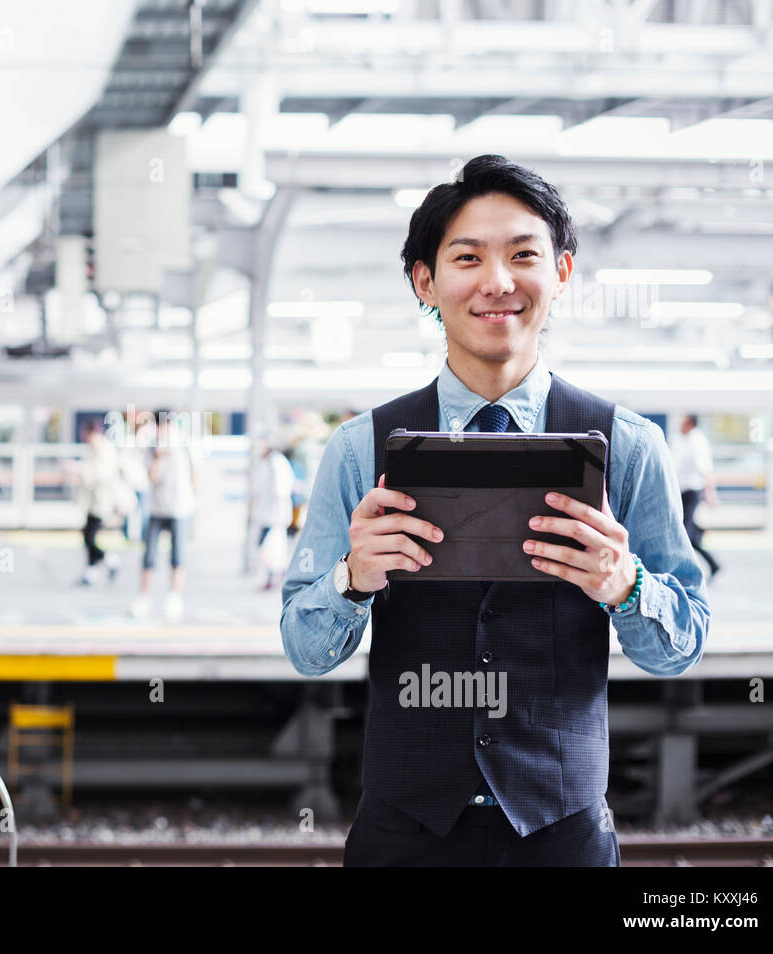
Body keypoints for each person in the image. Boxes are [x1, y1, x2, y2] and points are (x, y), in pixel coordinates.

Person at [280, 155, 710, 866]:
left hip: (561, 834)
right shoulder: (360, 450)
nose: (497, 282)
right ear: (425, 280)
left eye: (523, 256)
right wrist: (351, 579)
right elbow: (304, 649)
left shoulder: (630, 447)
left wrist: (624, 585)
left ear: (563, 274)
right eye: (468, 257)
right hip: (403, 833)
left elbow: (682, 645)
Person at [131, 410, 197, 621]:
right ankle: (144, 598)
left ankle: (174, 598)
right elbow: (151, 477)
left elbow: (195, 473)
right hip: (157, 509)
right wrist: (158, 457)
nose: (164, 429)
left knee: (178, 555)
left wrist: (194, 500)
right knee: (149, 555)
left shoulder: (186, 444)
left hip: (180, 508)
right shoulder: (152, 447)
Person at [74, 420, 136, 586]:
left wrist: (81, 471)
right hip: (94, 501)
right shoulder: (93, 450)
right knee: (88, 536)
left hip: (103, 502)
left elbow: (101, 475)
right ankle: (92, 571)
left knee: (89, 537)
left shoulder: (105, 451)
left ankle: (110, 560)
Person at [671, 413, 722, 579]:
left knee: (684, 532)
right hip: (682, 490)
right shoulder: (682, 440)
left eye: (683, 422)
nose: (680, 425)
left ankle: (688, 569)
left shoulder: (696, 441)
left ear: (691, 424)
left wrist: (710, 493)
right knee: (688, 531)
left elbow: (705, 469)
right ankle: (711, 560)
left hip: (691, 491)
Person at [249, 436, 297, 590]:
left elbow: (281, 490)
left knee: (268, 546)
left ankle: (277, 574)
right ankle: (274, 575)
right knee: (268, 547)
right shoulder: (267, 462)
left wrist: (282, 514)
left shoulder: (277, 463)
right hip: (267, 514)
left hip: (275, 515)